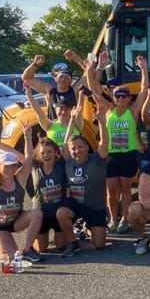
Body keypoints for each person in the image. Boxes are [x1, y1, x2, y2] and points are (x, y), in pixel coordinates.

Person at [86, 55, 149, 234]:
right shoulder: (108, 109)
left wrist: (143, 69)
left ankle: (125, 219)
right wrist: (94, 68)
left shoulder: (133, 111)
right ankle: (113, 217)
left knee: (127, 188)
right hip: (112, 154)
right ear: (113, 98)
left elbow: (144, 90)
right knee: (112, 191)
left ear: (129, 98)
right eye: (117, 96)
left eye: (124, 96)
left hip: (129, 153)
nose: (121, 99)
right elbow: (93, 90)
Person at [0, 122, 43, 262]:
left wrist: (27, 137)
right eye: (5, 167)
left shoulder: (19, 178)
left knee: (36, 214)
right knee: (12, 259)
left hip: (15, 221)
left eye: (12, 167)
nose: (9, 170)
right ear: (0, 166)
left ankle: (28, 249)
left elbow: (29, 158)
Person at [57, 104, 110, 257]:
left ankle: (87, 226)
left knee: (99, 245)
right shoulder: (68, 161)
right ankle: (74, 243)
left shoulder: (97, 159)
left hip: (95, 207)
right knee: (61, 213)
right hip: (75, 204)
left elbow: (104, 143)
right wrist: (72, 120)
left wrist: (101, 121)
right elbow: (66, 143)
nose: (76, 151)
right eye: (73, 148)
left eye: (80, 147)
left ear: (86, 147)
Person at [26, 138, 69, 254]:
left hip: (58, 213)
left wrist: (72, 121)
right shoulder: (34, 166)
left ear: (56, 152)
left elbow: (65, 144)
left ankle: (63, 233)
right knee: (42, 249)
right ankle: (38, 237)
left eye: (49, 152)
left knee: (61, 245)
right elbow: (25, 154)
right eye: (43, 153)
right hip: (41, 213)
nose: (46, 155)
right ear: (38, 155)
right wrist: (27, 136)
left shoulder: (61, 164)